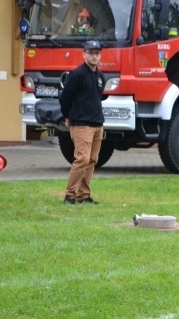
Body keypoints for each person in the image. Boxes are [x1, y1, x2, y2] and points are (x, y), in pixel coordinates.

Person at [59, 40, 106, 205]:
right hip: (81, 124)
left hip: (97, 124)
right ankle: (70, 195)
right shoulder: (77, 74)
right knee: (82, 159)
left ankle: (84, 195)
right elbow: (65, 98)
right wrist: (67, 116)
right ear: (84, 54)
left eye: (97, 53)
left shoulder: (100, 77)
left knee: (92, 160)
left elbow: (97, 98)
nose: (94, 56)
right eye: (91, 53)